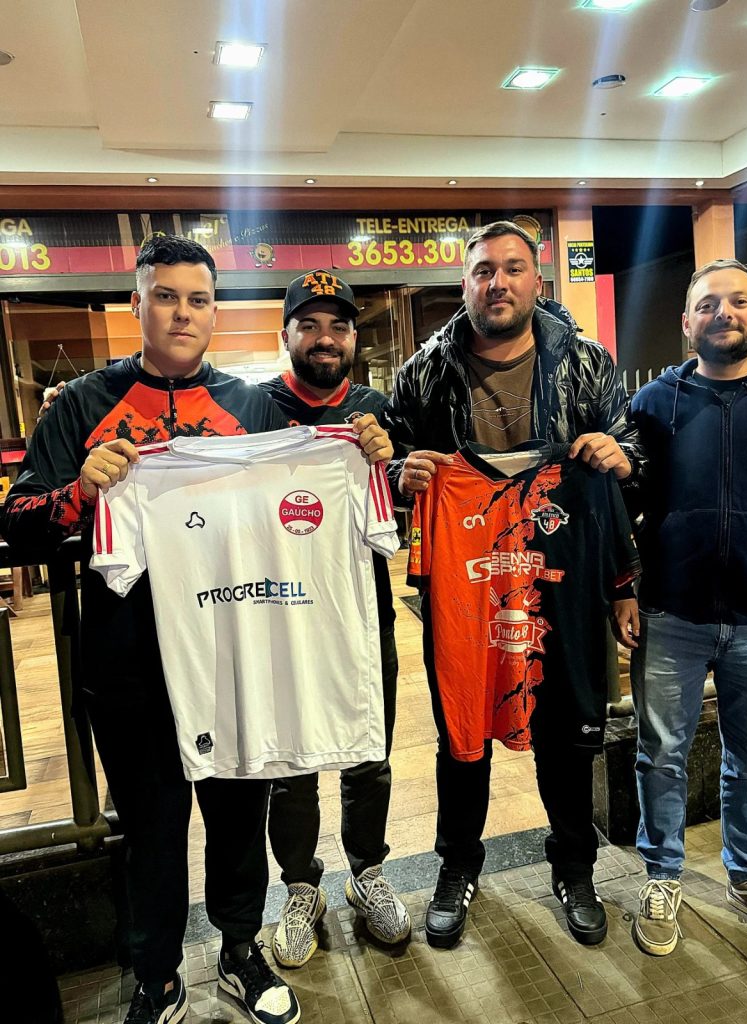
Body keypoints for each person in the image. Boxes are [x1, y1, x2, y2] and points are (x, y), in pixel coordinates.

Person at [1, 236, 300, 1024]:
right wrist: (77, 492)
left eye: (197, 299)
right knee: (151, 829)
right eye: (164, 296)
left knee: (240, 816)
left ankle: (240, 947)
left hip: (236, 653)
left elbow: (294, 514)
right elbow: (17, 520)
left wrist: (367, 456)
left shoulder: (253, 408)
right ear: (136, 304)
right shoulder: (80, 405)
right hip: (129, 661)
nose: (181, 313)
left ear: (214, 311)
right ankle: (157, 974)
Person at [382, 220, 645, 949]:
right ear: (463, 284)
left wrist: (617, 457)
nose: (496, 282)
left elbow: (627, 456)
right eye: (482, 271)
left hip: (561, 578)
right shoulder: (423, 371)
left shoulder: (587, 361)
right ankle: (457, 866)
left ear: (537, 279)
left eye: (512, 268)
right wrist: (402, 475)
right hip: (467, 586)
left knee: (566, 733)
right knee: (460, 733)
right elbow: (388, 458)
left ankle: (575, 869)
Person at [622, 258, 747, 957]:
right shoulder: (652, 404)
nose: (722, 314)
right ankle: (661, 876)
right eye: (707, 304)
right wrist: (622, 589)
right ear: (686, 323)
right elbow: (622, 506)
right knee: (659, 757)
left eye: (737, 301)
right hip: (670, 617)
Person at [258, 271, 410, 967]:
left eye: (339, 326)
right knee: (290, 759)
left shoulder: (376, 409)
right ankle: (300, 886)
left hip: (361, 610)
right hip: (278, 612)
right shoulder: (252, 409)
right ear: (286, 334)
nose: (326, 338)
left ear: (353, 336)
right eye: (310, 325)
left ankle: (367, 872)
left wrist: (391, 463)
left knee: (369, 752)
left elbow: (408, 499)